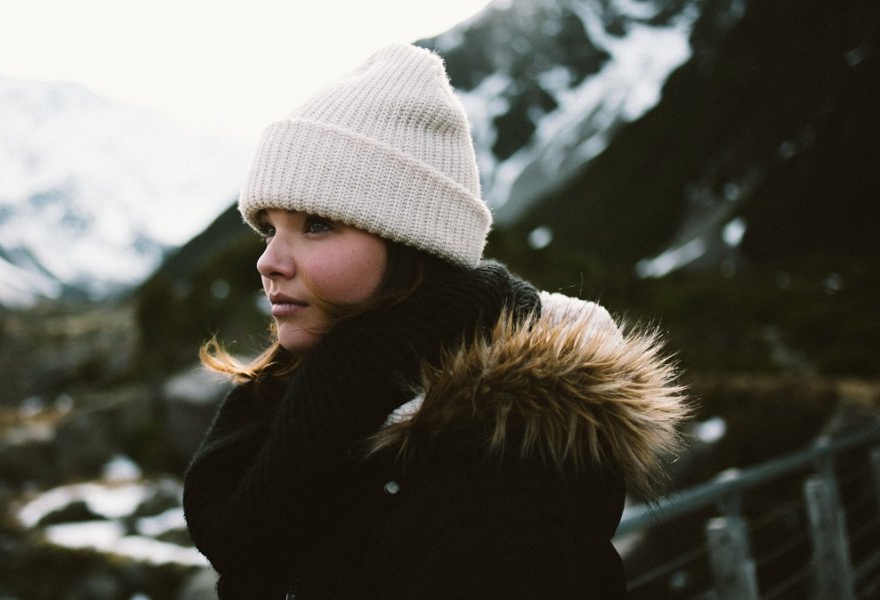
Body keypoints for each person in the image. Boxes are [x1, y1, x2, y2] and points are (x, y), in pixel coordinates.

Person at [183, 43, 690, 599]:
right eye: (269, 229)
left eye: (317, 224)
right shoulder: (304, 408)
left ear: (411, 243)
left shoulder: (500, 497)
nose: (268, 262)